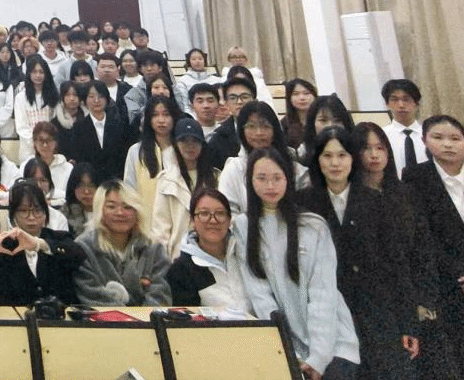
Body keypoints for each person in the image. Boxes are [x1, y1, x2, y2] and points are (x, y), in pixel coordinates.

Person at [298, 127, 420, 379]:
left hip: (377, 313)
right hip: (328, 316)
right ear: (317, 160)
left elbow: (397, 265)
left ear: (353, 159)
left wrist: (408, 323)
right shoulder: (303, 204)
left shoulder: (376, 201)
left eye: (342, 155)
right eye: (327, 156)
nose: (335, 163)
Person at [236, 147, 361, 380]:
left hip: (334, 346)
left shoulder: (312, 226)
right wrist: (287, 349)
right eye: (261, 178)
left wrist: (318, 358)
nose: (270, 186)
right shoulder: (243, 227)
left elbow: (323, 294)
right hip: (286, 349)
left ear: (288, 179)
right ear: (250, 181)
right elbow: (259, 294)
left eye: (277, 178)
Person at [400, 115, 464, 378]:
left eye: (455, 138)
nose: (448, 144)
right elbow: (422, 239)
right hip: (441, 288)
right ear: (424, 141)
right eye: (438, 137)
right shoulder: (414, 178)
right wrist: (462, 278)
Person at [0, 182, 85, 306]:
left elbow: (79, 256)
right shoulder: (3, 246)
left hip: (60, 313)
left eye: (37, 210)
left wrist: (39, 244)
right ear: (13, 215)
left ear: (46, 213)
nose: (31, 217)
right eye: (23, 211)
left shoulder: (59, 238)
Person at [74, 180, 172, 306]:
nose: (120, 213)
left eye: (128, 207)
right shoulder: (83, 248)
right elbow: (91, 295)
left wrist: (141, 316)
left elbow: (161, 294)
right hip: (101, 318)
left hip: (148, 318)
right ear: (99, 210)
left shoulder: (154, 248)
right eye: (111, 207)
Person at [217, 102, 310, 215]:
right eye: (251, 126)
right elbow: (227, 211)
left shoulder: (295, 170)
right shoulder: (234, 169)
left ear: (275, 130)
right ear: (242, 131)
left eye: (265, 126)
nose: (259, 133)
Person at [165, 188, 249, 313]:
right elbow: (188, 321)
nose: (213, 220)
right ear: (192, 220)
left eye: (220, 213)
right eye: (204, 214)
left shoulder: (245, 253)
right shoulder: (181, 270)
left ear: (229, 220)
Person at [152, 119, 220, 257]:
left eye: (195, 141)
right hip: (178, 255)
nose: (190, 146)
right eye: (184, 141)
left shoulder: (216, 177)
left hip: (210, 252)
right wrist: (162, 262)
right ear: (176, 144)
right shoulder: (166, 180)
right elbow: (160, 228)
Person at [123, 96, 180, 234]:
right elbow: (129, 190)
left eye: (166, 114)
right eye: (155, 115)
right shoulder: (136, 151)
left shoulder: (182, 149)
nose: (161, 120)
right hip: (146, 225)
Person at [65, 81, 138, 184]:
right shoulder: (78, 128)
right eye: (91, 97)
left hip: (117, 181)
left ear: (107, 99)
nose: (96, 100)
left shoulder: (120, 125)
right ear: (85, 100)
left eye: (100, 96)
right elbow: (79, 159)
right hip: (90, 183)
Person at [381, 79, 429, 178]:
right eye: (394, 99)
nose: (401, 105)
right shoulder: (381, 136)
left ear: (416, 103)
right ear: (387, 104)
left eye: (406, 99)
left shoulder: (429, 134)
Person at [208, 77, 258, 170]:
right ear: (226, 103)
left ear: (254, 100)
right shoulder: (218, 138)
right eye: (233, 98)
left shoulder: (268, 129)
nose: (239, 102)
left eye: (244, 97)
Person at [15, 56, 58, 159]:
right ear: (29, 74)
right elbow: (21, 127)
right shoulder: (21, 97)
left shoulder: (53, 96)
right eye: (34, 72)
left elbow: (55, 123)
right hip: (28, 149)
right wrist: (37, 142)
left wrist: (46, 142)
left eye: (41, 72)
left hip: (49, 146)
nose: (38, 75)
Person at [282, 79, 318, 150]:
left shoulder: (322, 119)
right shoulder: (284, 124)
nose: (302, 98)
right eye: (296, 94)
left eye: (306, 93)